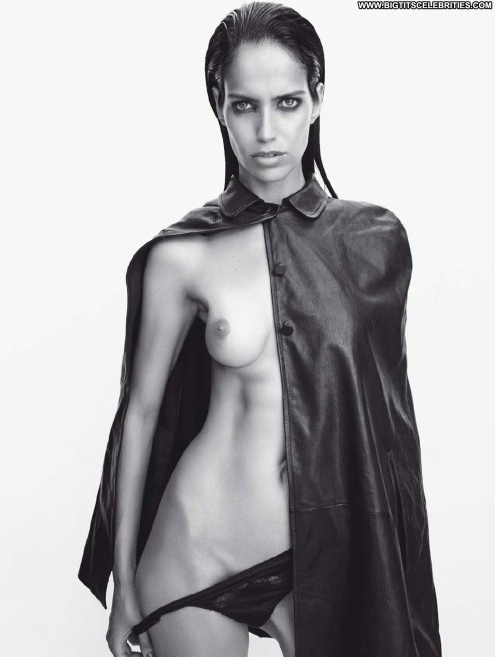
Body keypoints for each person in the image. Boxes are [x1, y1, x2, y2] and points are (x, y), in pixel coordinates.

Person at [78, 3, 442, 657]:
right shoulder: (180, 257)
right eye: (244, 105)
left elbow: (388, 426)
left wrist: (399, 576)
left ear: (318, 99)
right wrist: (124, 582)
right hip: (197, 552)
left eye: (287, 102)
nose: (266, 131)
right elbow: (140, 413)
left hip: (326, 557)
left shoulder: (375, 240)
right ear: (220, 108)